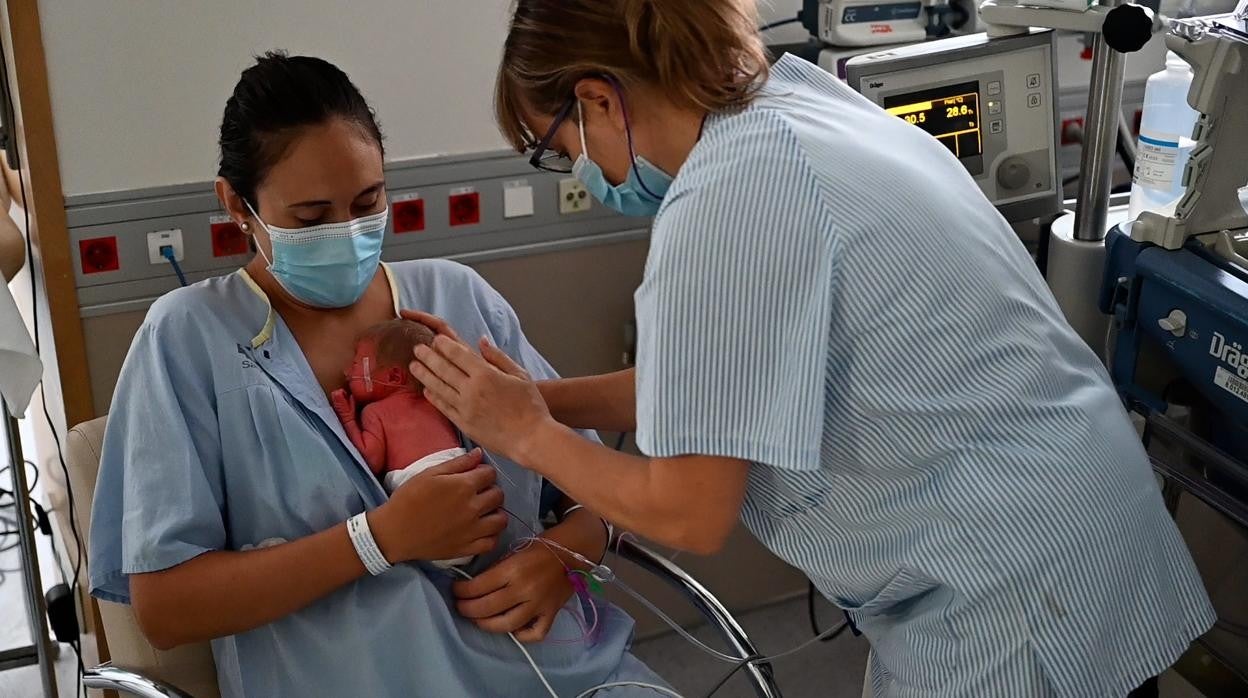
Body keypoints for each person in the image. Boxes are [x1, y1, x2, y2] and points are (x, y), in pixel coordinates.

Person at [410, 1, 1216, 696]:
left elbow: (688, 510)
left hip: (1013, 595)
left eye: (561, 147)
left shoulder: (724, 201)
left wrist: (528, 436)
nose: (577, 170)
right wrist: (541, 402)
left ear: (597, 98)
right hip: (1079, 532)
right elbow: (718, 379)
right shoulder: (797, 102)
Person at [89, 51, 667, 697]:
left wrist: (569, 553)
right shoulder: (188, 339)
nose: (348, 232)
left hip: (556, 671)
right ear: (237, 204)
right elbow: (166, 609)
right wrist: (377, 540)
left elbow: (598, 488)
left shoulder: (457, 299)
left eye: (369, 201)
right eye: (311, 217)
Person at [332, 319, 472, 568]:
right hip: (469, 485)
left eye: (355, 365)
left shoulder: (375, 412)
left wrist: (347, 418)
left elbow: (370, 459)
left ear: (394, 375)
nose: (346, 372)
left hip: (420, 494)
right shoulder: (436, 400)